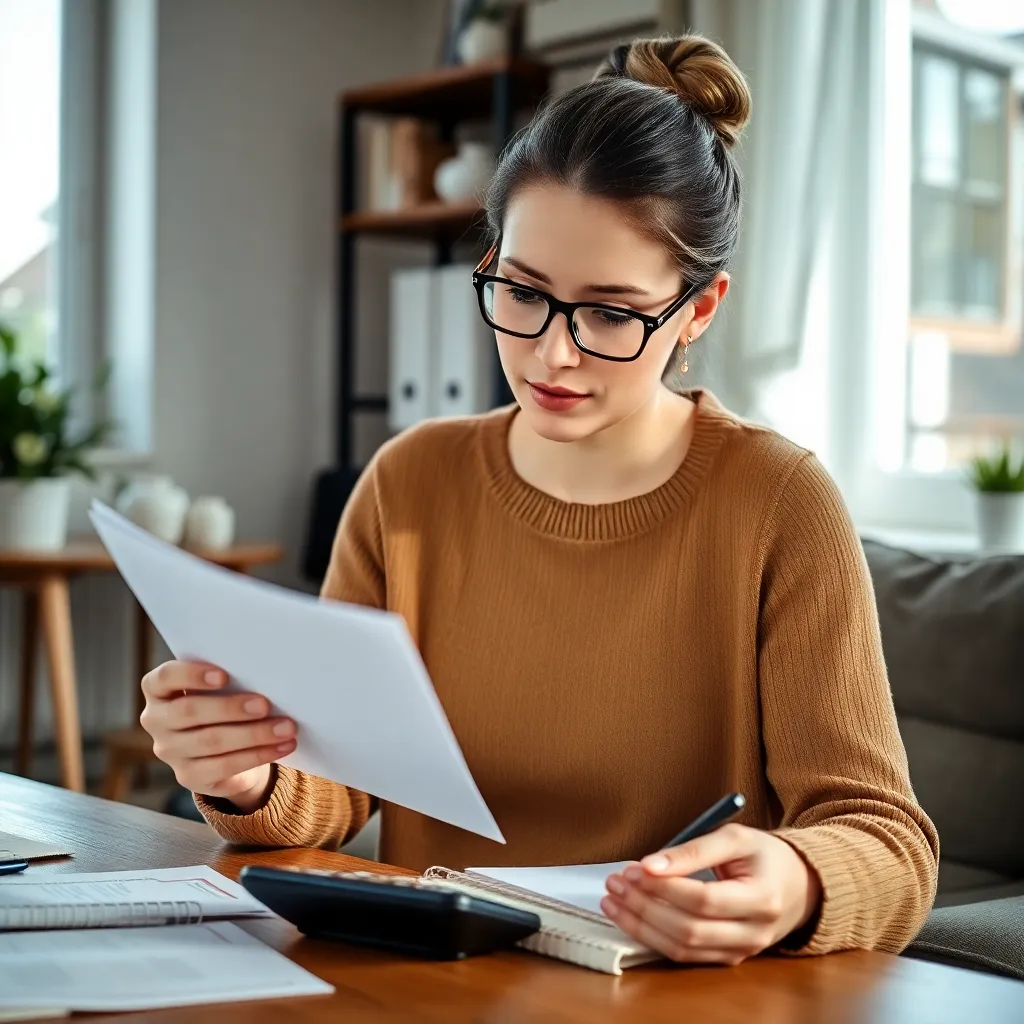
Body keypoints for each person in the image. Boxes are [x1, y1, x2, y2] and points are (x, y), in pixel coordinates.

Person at [139, 34, 938, 965]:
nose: (552, 353)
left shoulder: (778, 502)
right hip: (435, 986)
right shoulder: (410, 483)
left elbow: (887, 839)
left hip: (677, 996)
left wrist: (798, 881)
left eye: (609, 312)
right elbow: (335, 793)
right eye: (522, 293)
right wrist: (246, 776)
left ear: (699, 309)